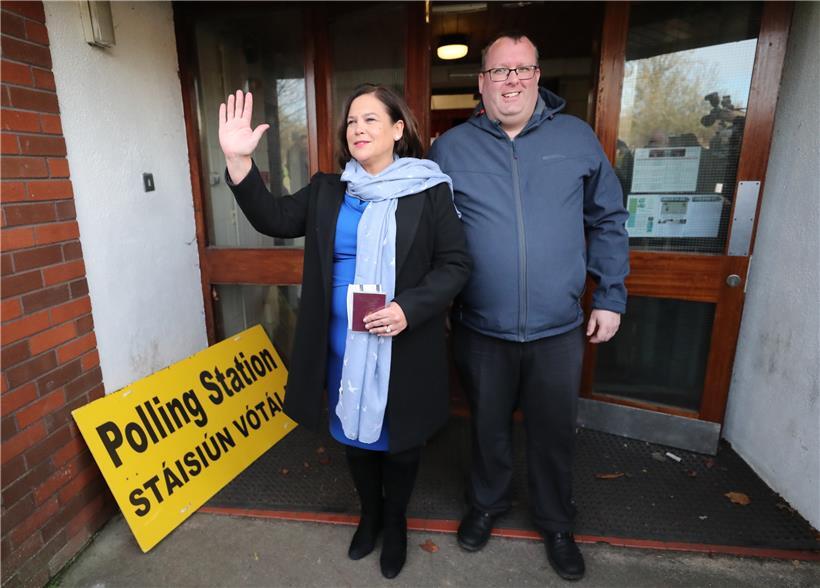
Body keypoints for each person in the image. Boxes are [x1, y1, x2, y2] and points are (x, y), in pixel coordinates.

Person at [218, 85, 471, 579]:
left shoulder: (429, 190)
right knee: (354, 438)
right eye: (352, 121)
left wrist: (408, 308)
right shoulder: (328, 189)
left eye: (371, 120)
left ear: (399, 130)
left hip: (403, 343)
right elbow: (273, 217)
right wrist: (238, 162)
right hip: (338, 344)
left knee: (399, 441)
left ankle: (395, 523)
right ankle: (370, 516)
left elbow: (456, 264)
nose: (358, 128)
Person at [428, 32, 629, 581]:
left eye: (522, 69)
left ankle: (556, 522)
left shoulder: (577, 137)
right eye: (499, 71)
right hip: (480, 325)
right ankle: (487, 504)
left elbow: (608, 219)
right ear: (482, 82)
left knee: (553, 430)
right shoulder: (450, 149)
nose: (511, 80)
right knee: (486, 426)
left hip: (558, 327)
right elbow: (426, 232)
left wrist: (610, 295)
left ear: (538, 76)